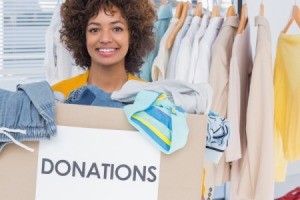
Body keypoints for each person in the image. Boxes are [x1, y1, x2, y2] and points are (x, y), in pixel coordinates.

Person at [52, 0, 156, 99]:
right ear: (82, 37)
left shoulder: (151, 99)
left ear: (133, 36)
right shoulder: (57, 95)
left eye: (117, 29)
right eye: (94, 30)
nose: (105, 39)